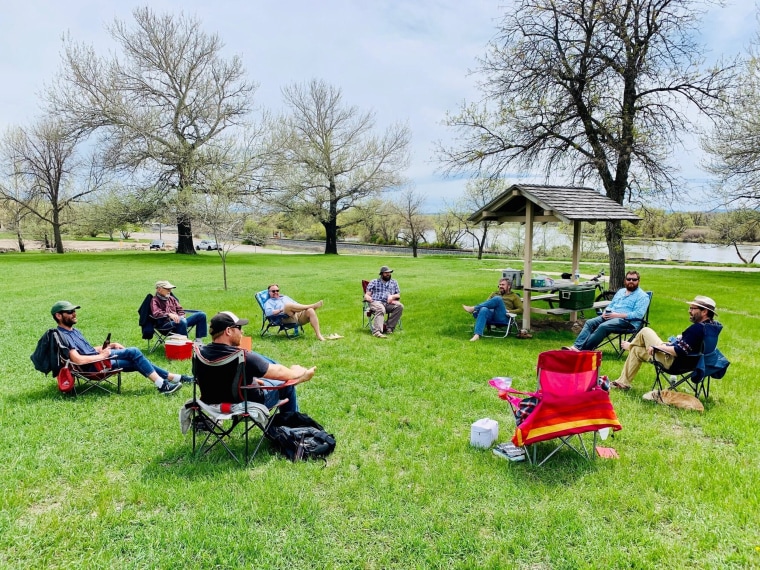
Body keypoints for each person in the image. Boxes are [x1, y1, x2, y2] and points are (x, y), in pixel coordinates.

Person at [51, 300, 191, 395]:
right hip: (95, 366)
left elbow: (87, 350)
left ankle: (175, 378)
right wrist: (102, 355)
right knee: (134, 351)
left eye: (74, 311)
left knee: (137, 361)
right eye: (69, 312)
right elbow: (78, 359)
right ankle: (163, 385)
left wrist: (110, 346)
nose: (74, 313)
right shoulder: (63, 336)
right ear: (58, 315)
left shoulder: (73, 331)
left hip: (99, 361)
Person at [199, 311, 315, 412]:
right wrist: (296, 373)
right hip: (247, 403)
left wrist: (249, 380)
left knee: (262, 376)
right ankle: (290, 427)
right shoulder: (242, 356)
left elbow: (210, 378)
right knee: (286, 384)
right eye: (239, 328)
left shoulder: (200, 353)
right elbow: (279, 372)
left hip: (213, 403)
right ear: (228, 331)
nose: (242, 332)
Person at [611, 295, 719, 390]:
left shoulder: (697, 329)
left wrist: (658, 347)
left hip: (674, 363)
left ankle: (629, 349)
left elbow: (678, 351)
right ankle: (623, 381)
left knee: (645, 331)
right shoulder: (712, 327)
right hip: (692, 362)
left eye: (693, 308)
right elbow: (690, 345)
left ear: (704, 312)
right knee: (638, 347)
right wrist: (677, 340)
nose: (689, 311)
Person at [563, 270, 649, 351]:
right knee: (590, 322)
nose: (631, 281)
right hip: (610, 317)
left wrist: (616, 315)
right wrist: (605, 312)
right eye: (628, 279)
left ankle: (583, 350)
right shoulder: (621, 291)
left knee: (603, 326)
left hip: (628, 322)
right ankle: (576, 347)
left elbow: (638, 315)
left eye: (634, 279)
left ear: (638, 281)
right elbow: (611, 305)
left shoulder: (642, 296)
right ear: (625, 280)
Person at [463, 278, 524, 342]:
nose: (500, 286)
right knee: (484, 309)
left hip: (503, 316)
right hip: (491, 315)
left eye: (503, 285)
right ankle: (477, 335)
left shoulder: (514, 296)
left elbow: (521, 310)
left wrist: (509, 311)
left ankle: (474, 308)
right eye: (499, 285)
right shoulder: (494, 294)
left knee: (498, 299)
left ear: (509, 286)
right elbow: (486, 304)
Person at [364, 265, 404, 338]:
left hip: (388, 303)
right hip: (376, 302)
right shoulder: (374, 282)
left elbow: (398, 295)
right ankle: (377, 332)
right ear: (382, 274)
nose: (388, 274)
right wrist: (368, 298)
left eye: (389, 272)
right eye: (386, 273)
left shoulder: (394, 282)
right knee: (380, 309)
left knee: (400, 306)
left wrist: (392, 296)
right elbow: (367, 295)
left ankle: (389, 327)